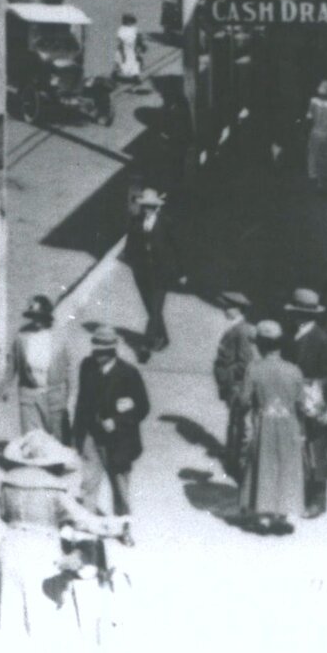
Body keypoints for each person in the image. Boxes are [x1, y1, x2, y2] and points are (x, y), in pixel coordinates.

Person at [0, 429, 128, 639]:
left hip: (10, 546)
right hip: (42, 550)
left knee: (10, 616)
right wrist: (116, 526)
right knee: (42, 618)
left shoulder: (7, 485)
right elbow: (85, 520)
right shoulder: (54, 490)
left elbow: (3, 514)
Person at [72, 326, 149, 529]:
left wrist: (116, 421)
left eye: (103, 352)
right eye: (96, 351)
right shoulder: (87, 366)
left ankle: (123, 528)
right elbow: (82, 401)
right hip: (92, 436)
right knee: (89, 483)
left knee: (120, 487)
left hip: (118, 441)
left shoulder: (128, 373)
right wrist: (77, 435)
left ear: (113, 351)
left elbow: (143, 407)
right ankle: (86, 524)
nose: (98, 356)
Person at [239, 320, 305, 533]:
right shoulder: (294, 370)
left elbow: (244, 400)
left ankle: (263, 512)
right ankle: (281, 514)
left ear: (260, 345)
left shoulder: (254, 369)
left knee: (263, 465)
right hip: (288, 424)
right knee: (286, 466)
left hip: (264, 422)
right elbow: (301, 403)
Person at [287, 288, 327, 518]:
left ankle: (318, 500)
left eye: (297, 313)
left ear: (306, 315)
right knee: (301, 448)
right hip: (297, 401)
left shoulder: (321, 340)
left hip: (315, 404)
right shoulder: (294, 335)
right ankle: (302, 495)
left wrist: (314, 390)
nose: (293, 317)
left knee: (318, 449)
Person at [121, 187, 186, 360]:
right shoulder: (136, 221)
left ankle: (145, 346)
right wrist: (132, 262)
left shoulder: (166, 222)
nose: (146, 209)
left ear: (156, 207)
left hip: (161, 273)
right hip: (142, 273)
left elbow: (177, 248)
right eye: (144, 206)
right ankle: (164, 338)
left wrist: (181, 272)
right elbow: (129, 245)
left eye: (150, 206)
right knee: (152, 309)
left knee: (156, 309)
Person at [11, 294, 71, 439]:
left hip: (54, 395)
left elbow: (68, 368)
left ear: (47, 317)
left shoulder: (59, 336)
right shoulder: (22, 336)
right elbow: (12, 363)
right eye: (33, 316)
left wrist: (68, 395)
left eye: (40, 317)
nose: (36, 321)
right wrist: (4, 388)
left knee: (56, 441)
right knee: (31, 440)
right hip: (29, 395)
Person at [212, 295, 258, 482]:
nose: (225, 309)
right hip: (232, 386)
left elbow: (246, 363)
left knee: (240, 425)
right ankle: (232, 461)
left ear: (238, 309)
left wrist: (227, 376)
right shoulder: (236, 328)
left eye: (228, 307)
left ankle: (238, 466)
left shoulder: (242, 330)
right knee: (235, 423)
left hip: (237, 386)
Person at [113, 14, 147, 85]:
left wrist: (141, 45)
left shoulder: (134, 29)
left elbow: (138, 38)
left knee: (136, 63)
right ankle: (115, 75)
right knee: (121, 62)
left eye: (131, 22)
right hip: (124, 49)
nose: (131, 23)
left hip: (132, 49)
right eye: (129, 22)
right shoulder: (122, 30)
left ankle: (136, 78)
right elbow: (121, 42)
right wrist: (122, 52)